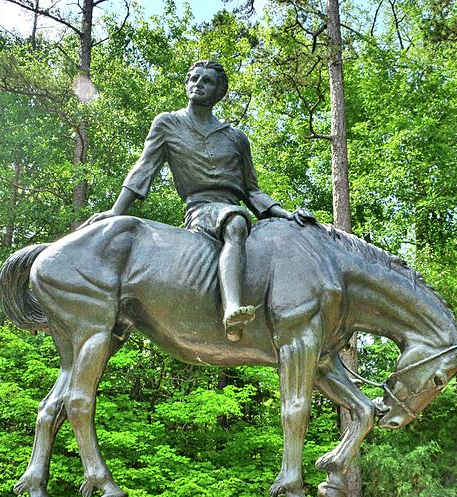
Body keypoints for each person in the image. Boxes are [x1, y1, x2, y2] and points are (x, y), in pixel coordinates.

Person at [82, 60, 315, 341]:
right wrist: (116, 212)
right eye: (193, 79)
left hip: (230, 205)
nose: (198, 85)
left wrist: (286, 214)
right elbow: (144, 168)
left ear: (219, 91)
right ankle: (231, 310)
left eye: (206, 82)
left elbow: (252, 191)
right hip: (201, 209)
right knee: (237, 221)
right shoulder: (168, 123)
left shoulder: (236, 138)